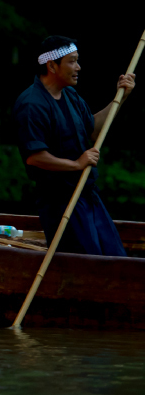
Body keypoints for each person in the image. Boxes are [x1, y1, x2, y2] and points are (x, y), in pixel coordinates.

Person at [13, 35, 135, 256]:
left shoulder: (70, 95)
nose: (78, 67)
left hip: (87, 195)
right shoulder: (32, 104)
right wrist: (76, 164)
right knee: (87, 262)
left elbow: (93, 130)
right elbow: (35, 157)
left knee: (115, 256)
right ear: (52, 65)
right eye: (72, 61)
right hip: (59, 201)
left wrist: (121, 97)